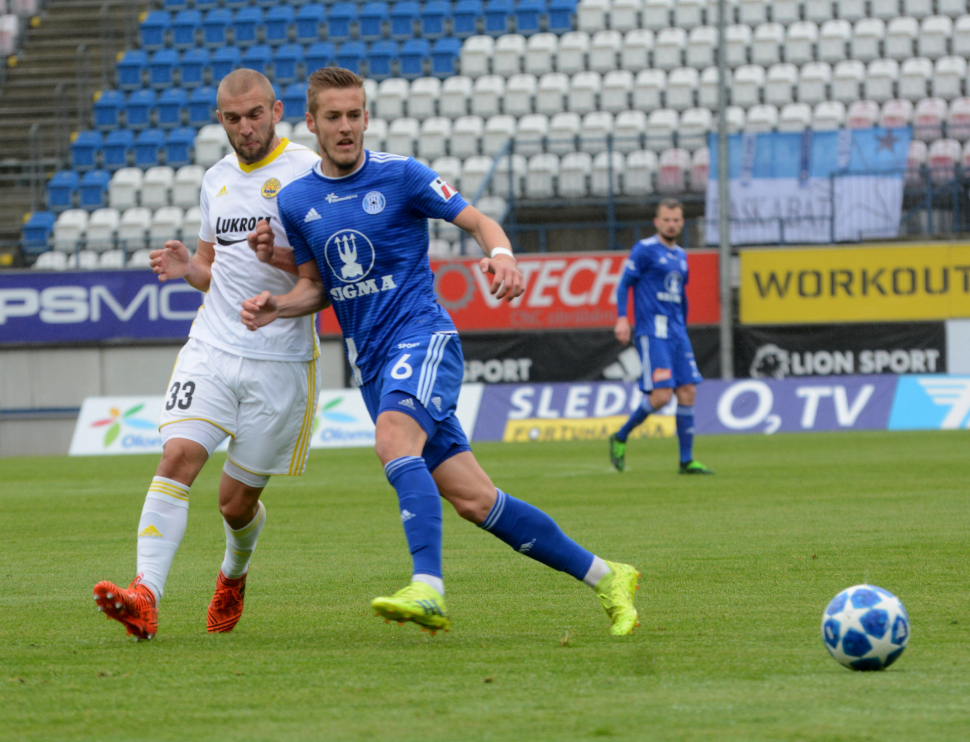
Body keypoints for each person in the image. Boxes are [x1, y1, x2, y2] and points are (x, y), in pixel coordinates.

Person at [240, 67, 640, 636]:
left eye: (355, 114)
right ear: (312, 123)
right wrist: (275, 307)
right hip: (373, 367)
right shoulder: (298, 200)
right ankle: (608, 576)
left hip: (422, 337)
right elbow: (317, 286)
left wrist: (501, 253)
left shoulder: (402, 176)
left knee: (392, 442)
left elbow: (477, 219)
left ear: (366, 118)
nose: (346, 126)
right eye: (334, 117)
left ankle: (428, 587)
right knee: (476, 500)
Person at [93, 70, 323, 640]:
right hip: (213, 347)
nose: (245, 128)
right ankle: (144, 595)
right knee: (177, 457)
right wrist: (187, 268)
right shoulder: (215, 180)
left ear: (276, 110)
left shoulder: (308, 175)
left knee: (233, 505)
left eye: (254, 115)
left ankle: (233, 573)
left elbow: (325, 279)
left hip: (281, 361)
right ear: (219, 119)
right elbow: (213, 269)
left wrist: (279, 259)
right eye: (232, 118)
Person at [609, 198, 714, 475]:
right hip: (652, 331)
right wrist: (622, 318)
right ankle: (621, 434)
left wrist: (683, 326)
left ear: (682, 223)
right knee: (662, 395)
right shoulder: (644, 250)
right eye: (666, 219)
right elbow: (624, 286)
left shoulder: (681, 256)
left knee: (687, 391)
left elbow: (681, 296)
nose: (671, 224)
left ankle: (686, 460)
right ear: (657, 222)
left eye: (676, 220)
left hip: (677, 332)